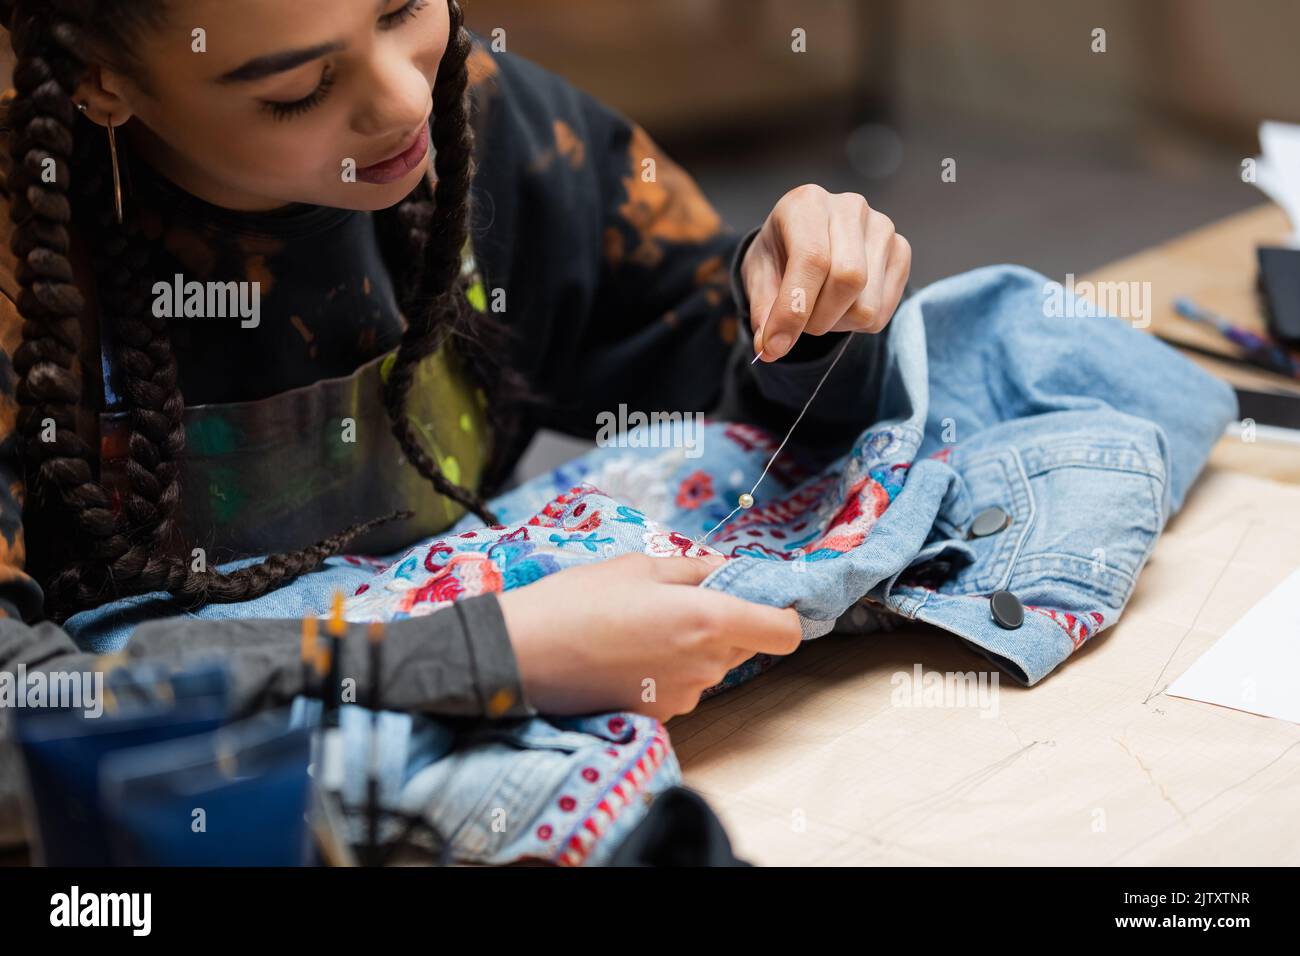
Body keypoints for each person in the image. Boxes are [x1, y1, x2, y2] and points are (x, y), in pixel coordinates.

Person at [0, 0, 911, 724]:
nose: (402, 100)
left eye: (401, 10)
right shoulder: (25, 266)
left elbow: (764, 414)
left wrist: (812, 303)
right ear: (101, 81)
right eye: (298, 87)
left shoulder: (493, 123)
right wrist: (476, 657)